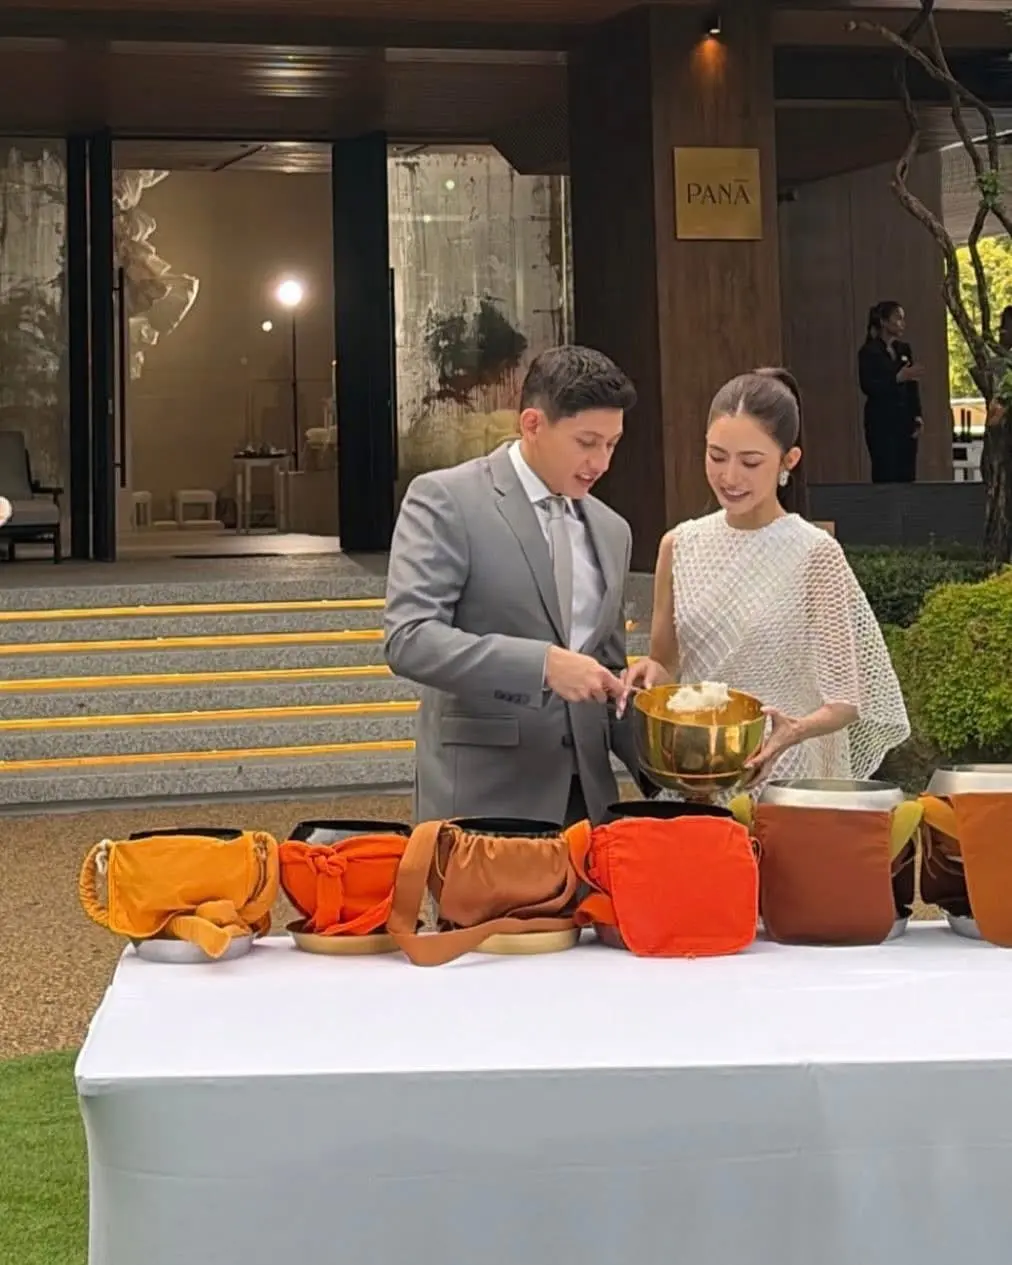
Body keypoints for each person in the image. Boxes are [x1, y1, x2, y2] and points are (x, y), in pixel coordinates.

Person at [384, 344, 643, 827]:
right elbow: (409, 638)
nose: (602, 462)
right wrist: (542, 666)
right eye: (587, 442)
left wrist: (679, 752)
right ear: (532, 424)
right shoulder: (446, 499)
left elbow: (606, 669)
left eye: (612, 444)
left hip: (588, 805)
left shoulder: (613, 529)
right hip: (484, 799)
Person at [620, 367, 910, 791]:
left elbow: (846, 701)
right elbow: (666, 667)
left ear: (788, 461)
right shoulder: (679, 545)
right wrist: (647, 673)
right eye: (716, 456)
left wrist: (792, 731)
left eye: (750, 462)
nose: (730, 477)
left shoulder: (814, 553)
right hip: (699, 773)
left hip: (787, 775)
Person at [858, 300, 924, 483]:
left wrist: (917, 415)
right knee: (886, 471)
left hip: (905, 420)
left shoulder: (904, 349)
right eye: (898, 318)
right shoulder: (869, 352)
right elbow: (868, 386)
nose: (902, 323)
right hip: (881, 422)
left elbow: (912, 385)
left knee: (907, 472)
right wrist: (896, 379)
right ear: (884, 322)